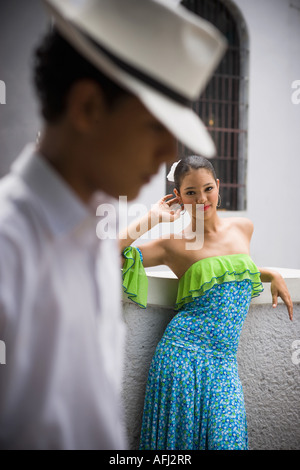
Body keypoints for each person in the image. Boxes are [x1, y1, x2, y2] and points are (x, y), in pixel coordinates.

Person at [0, 0, 227, 450]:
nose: (168, 154)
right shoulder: (10, 249)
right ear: (88, 107)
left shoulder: (96, 235)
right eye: (155, 125)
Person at [119, 155, 293, 450]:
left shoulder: (243, 228)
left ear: (218, 186)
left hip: (224, 365)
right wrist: (151, 218)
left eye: (208, 188)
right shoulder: (173, 244)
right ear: (178, 197)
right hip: (180, 359)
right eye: (190, 192)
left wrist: (269, 273)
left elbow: (228, 268)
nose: (201, 199)